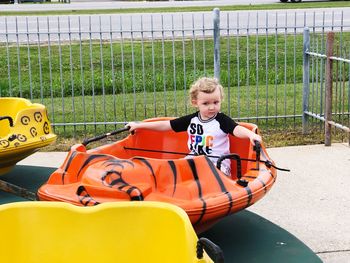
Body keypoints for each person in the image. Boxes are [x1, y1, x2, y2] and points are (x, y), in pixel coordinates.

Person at [126, 77, 261, 176]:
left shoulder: (221, 120)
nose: (212, 107)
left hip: (218, 166)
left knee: (204, 175)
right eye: (206, 103)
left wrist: (251, 135)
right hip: (194, 159)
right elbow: (166, 125)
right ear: (195, 103)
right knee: (173, 171)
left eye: (216, 102)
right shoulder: (192, 120)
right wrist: (140, 125)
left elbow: (236, 129)